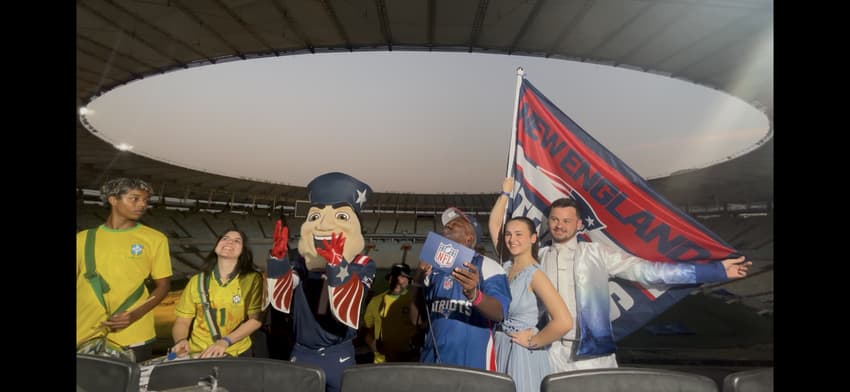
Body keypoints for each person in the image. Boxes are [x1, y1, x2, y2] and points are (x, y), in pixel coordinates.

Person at [489, 177, 752, 371]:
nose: (560, 225)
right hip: (550, 353)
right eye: (555, 219)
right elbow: (501, 235)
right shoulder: (539, 257)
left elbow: (652, 272)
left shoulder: (598, 255)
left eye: (567, 220)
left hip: (593, 356)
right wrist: (505, 193)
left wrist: (716, 270)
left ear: (580, 224)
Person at [266, 172, 376, 392]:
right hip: (301, 352)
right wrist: (278, 260)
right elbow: (282, 295)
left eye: (341, 217)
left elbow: (351, 301)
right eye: (315, 217)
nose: (324, 226)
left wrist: (336, 264)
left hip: (339, 355)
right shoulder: (301, 264)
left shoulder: (363, 263)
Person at [76, 178, 172, 363]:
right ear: (113, 200)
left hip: (133, 335)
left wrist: (134, 315)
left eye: (145, 200)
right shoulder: (83, 239)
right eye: (134, 198)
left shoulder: (155, 239)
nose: (142, 205)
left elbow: (163, 286)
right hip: (84, 333)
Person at [409, 207, 511, 370]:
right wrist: (419, 278)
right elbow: (416, 319)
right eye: (446, 225)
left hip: (473, 363)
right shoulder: (434, 268)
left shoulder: (488, 266)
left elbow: (499, 313)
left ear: (469, 238)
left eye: (455, 224)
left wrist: (475, 295)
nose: (447, 227)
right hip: (432, 361)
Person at [492, 217, 573, 392]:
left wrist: (533, 341)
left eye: (519, 234)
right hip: (499, 347)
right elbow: (494, 225)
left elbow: (564, 321)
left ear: (533, 238)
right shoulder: (504, 268)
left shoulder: (535, 275)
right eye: (508, 234)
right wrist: (505, 193)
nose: (512, 239)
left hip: (522, 354)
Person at [170, 229, 264, 358]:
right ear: (216, 246)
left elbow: (255, 321)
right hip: (199, 353)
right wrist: (181, 340)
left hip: (235, 352)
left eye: (237, 241)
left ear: (243, 251)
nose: (229, 242)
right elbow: (182, 321)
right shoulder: (197, 281)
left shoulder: (252, 279)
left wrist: (225, 342)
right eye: (225, 238)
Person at [363, 263, 419, 363]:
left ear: (408, 281)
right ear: (389, 279)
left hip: (408, 362)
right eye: (394, 276)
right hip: (381, 363)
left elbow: (422, 329)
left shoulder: (414, 301)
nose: (398, 280)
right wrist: (376, 349)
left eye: (402, 277)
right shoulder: (375, 301)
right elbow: (367, 331)